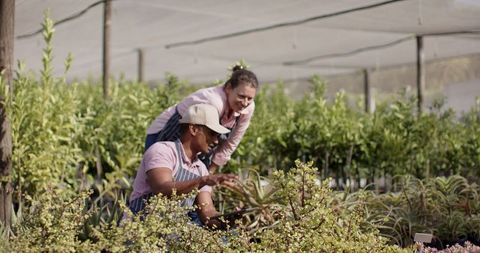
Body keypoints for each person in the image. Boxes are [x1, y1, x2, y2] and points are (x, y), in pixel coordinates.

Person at [129, 104, 238, 229]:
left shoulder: (200, 169)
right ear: (193, 129)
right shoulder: (162, 151)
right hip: (138, 230)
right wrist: (204, 180)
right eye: (212, 134)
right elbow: (162, 190)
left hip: (170, 234)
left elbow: (207, 213)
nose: (216, 141)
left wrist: (230, 219)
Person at [145, 66, 259, 172]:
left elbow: (233, 141)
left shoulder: (248, 107)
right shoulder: (214, 102)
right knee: (158, 176)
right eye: (241, 96)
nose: (245, 103)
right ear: (229, 88)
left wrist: (210, 171)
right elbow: (194, 137)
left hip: (197, 142)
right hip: (166, 133)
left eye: (249, 98)